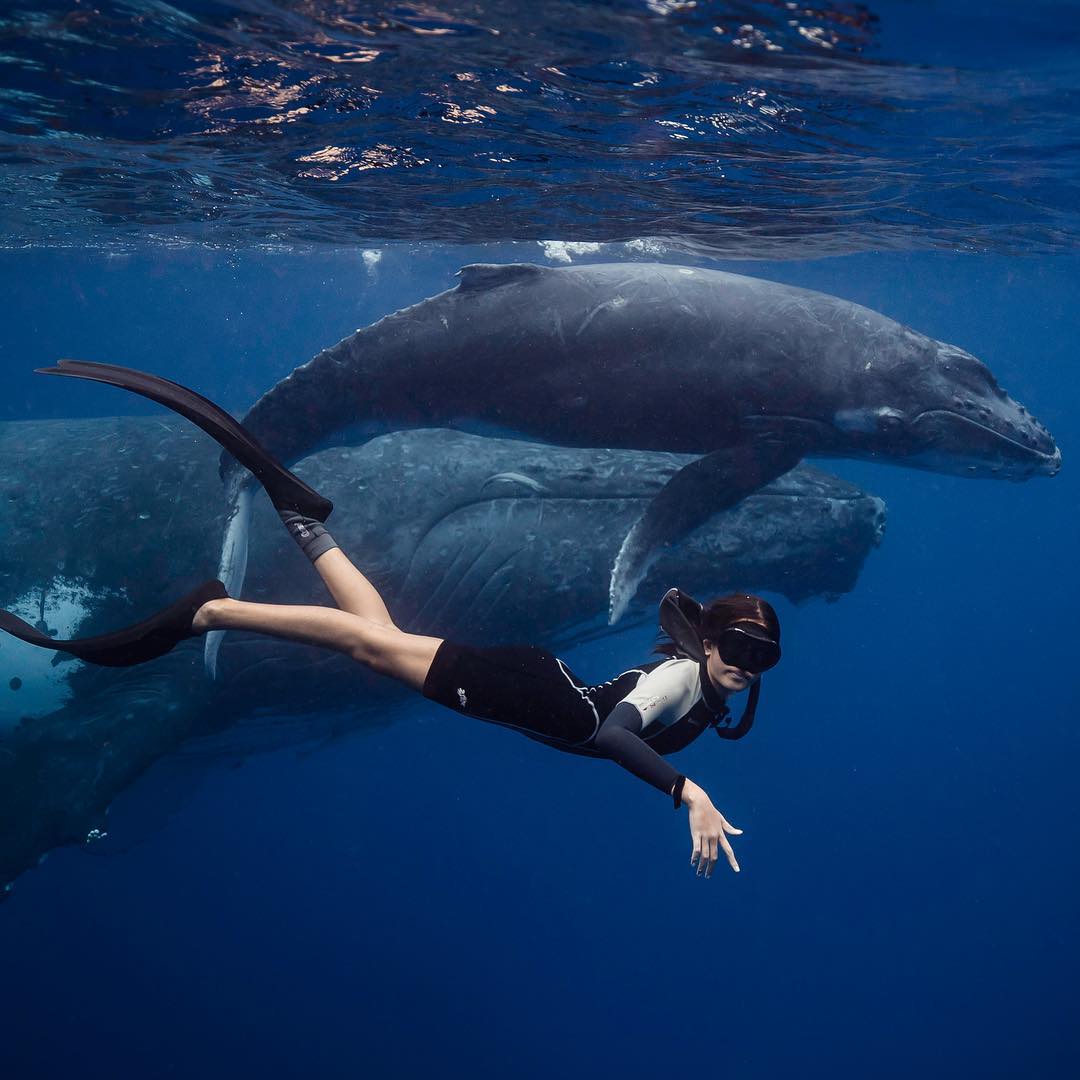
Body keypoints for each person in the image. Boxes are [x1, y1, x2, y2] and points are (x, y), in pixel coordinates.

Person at [1, 362, 782, 879]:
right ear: (708, 641)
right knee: (374, 650)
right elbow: (613, 733)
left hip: (539, 690)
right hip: (535, 693)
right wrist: (688, 794)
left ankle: (306, 524)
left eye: (762, 657)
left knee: (383, 642)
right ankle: (211, 610)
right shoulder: (686, 679)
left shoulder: (711, 693)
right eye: (740, 646)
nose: (749, 664)